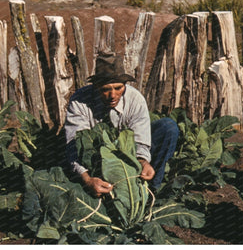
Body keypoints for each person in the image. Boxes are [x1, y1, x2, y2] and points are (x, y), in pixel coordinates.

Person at [64, 53, 179, 197]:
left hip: (128, 153)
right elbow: (74, 146)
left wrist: (143, 162)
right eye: (106, 89)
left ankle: (150, 192)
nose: (113, 95)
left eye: (118, 88)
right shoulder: (79, 101)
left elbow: (140, 139)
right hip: (96, 160)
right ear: (96, 87)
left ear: (124, 85)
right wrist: (87, 180)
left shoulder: (135, 99)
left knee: (168, 127)